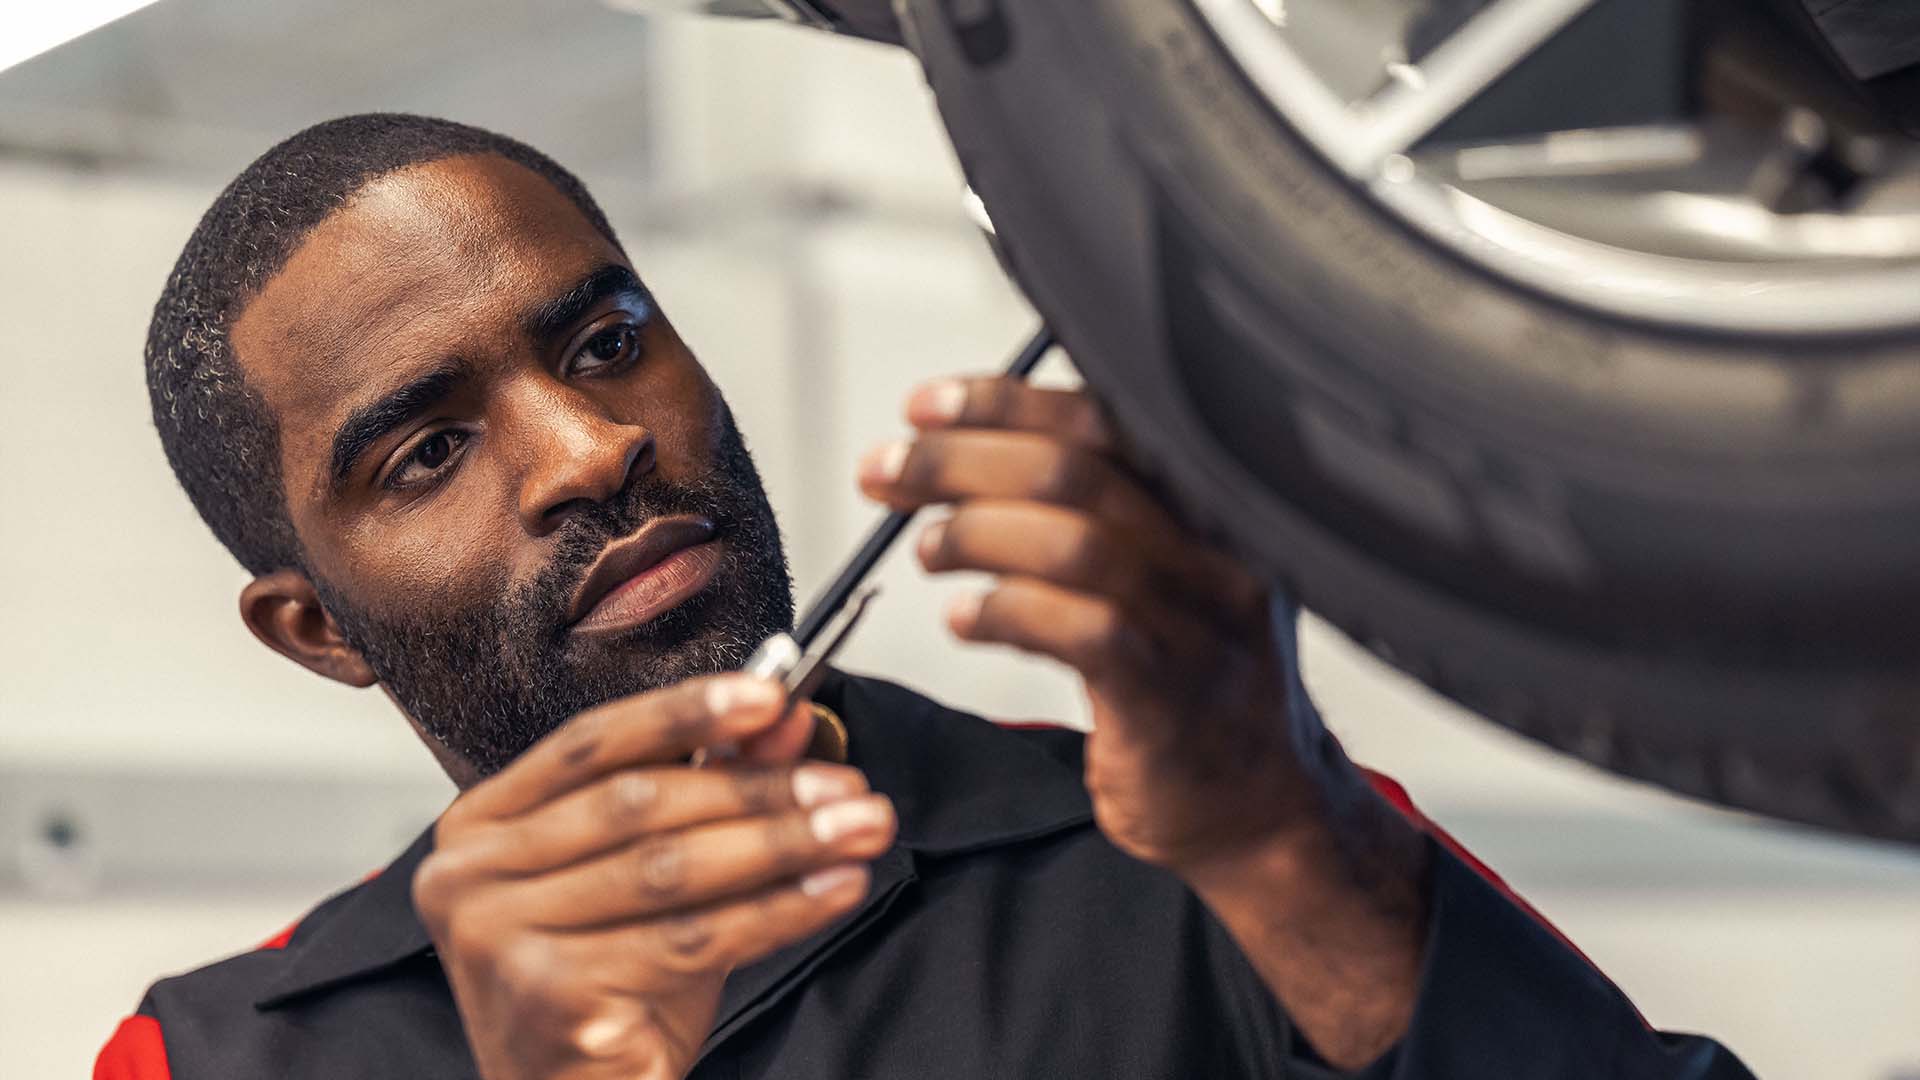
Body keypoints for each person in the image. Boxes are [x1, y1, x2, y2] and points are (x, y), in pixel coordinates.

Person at [95, 113, 1752, 1079]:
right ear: (316, 625)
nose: (592, 448)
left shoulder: (1209, 842)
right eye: (429, 452)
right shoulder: (216, 1057)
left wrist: (1277, 826)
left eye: (607, 344)